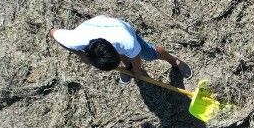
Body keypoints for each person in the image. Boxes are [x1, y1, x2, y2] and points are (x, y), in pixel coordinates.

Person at [49, 15, 191, 84]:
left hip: (118, 27)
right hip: (92, 27)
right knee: (127, 59)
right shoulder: (74, 40)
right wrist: (78, 54)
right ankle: (125, 66)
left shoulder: (126, 41)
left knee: (148, 54)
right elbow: (53, 32)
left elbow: (136, 60)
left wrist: (138, 71)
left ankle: (174, 61)